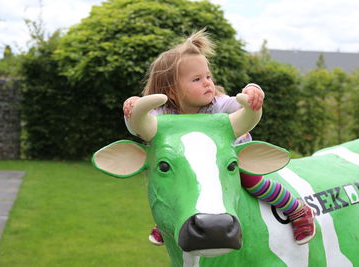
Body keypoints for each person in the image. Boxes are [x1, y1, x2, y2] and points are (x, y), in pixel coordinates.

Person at [122, 29, 316, 246]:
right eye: (197, 79)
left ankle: (296, 209)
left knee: (250, 181)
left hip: (226, 160)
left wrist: (253, 91)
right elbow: (137, 126)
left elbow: (241, 103)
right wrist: (132, 107)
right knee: (173, 182)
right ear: (172, 90)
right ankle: (168, 222)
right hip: (191, 163)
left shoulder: (218, 104)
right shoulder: (163, 114)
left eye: (208, 76)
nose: (207, 83)